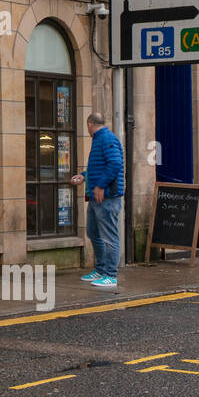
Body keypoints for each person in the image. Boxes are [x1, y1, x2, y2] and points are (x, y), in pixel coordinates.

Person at [71, 112, 124, 288]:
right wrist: (84, 176)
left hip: (107, 197)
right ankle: (101, 270)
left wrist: (100, 185)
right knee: (93, 233)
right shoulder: (100, 139)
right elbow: (99, 167)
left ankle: (111, 275)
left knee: (110, 237)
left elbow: (115, 164)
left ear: (89, 124)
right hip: (97, 198)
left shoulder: (107, 138)